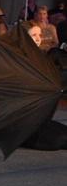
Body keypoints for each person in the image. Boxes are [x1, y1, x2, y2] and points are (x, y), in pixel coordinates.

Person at [21, 22, 67, 151]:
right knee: (57, 141)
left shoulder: (41, 57)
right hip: (20, 118)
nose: (38, 38)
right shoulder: (16, 58)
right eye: (33, 35)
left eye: (39, 35)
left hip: (39, 116)